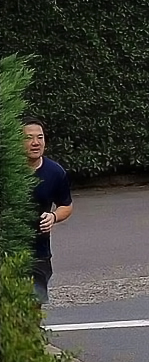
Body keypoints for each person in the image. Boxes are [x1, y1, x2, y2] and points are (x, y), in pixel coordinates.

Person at [23, 117, 73, 305]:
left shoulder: (55, 172)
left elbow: (66, 205)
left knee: (33, 307)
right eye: (29, 138)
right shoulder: (7, 170)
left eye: (40, 137)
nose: (35, 143)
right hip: (8, 249)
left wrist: (53, 216)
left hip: (39, 252)